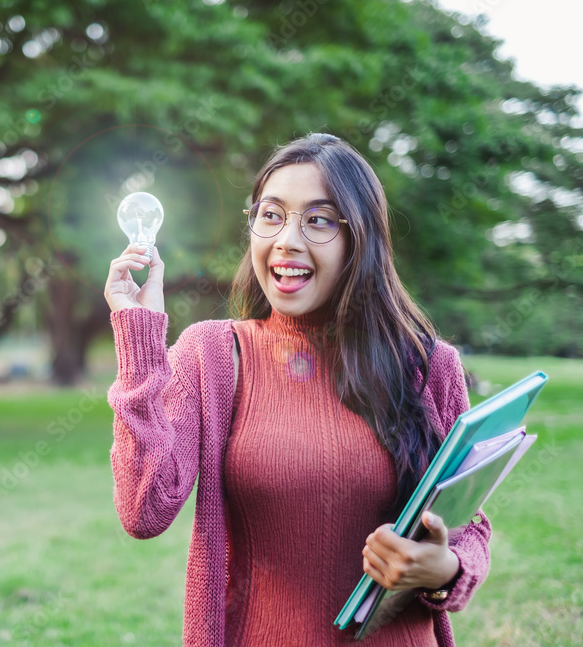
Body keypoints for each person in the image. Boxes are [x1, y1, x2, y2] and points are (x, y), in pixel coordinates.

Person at [103, 133, 490, 646]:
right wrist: (140, 337)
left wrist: (444, 567)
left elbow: (469, 526)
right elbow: (144, 509)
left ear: (361, 238)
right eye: (271, 214)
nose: (286, 239)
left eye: (319, 220)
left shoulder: (428, 366)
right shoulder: (214, 356)